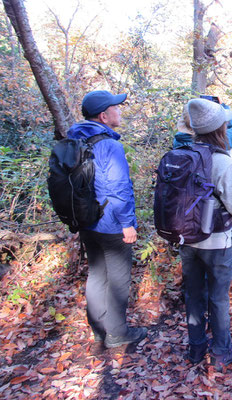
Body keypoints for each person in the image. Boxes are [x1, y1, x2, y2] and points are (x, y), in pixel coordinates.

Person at [67, 90, 147, 348]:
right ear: (104, 115)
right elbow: (118, 188)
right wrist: (127, 223)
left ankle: (99, 331)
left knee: (97, 274)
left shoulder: (76, 140)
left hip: (86, 219)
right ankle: (117, 333)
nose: (119, 111)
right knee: (118, 277)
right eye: (116, 107)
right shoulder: (109, 145)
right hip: (111, 223)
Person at [180, 98, 232, 369]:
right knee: (218, 297)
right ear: (220, 128)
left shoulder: (184, 153)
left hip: (186, 239)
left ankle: (196, 348)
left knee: (193, 295)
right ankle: (221, 351)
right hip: (216, 242)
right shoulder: (221, 161)